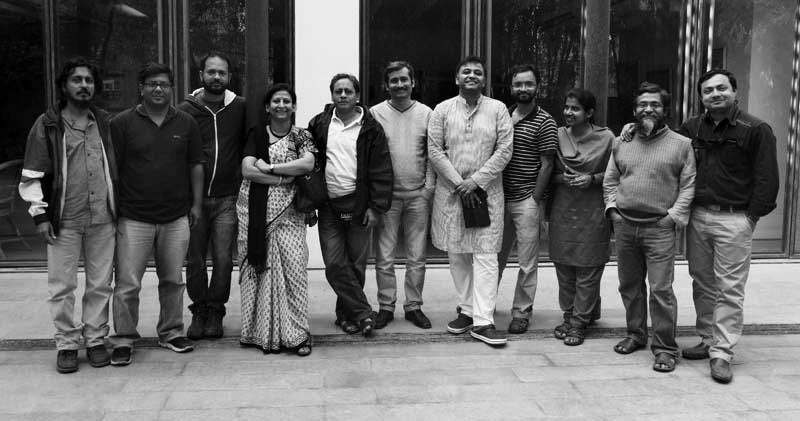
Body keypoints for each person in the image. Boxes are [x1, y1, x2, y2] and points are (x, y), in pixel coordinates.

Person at [678, 69, 779, 383]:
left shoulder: (756, 129)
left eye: (721, 88)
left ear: (735, 91)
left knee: (730, 289)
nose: (715, 94)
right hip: (698, 217)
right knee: (702, 282)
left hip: (735, 219)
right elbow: (666, 150)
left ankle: (722, 353)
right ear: (701, 97)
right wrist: (630, 131)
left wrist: (751, 218)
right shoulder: (691, 128)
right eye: (708, 91)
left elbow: (767, 180)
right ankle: (708, 339)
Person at [19, 57, 117, 373]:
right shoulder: (48, 124)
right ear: (65, 86)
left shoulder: (104, 121)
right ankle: (66, 343)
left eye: (89, 80)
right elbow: (32, 174)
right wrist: (40, 215)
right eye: (77, 80)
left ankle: (96, 339)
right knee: (61, 286)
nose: (84, 85)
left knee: (100, 284)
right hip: (65, 221)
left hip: (103, 217)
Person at [109, 62, 204, 366]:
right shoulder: (122, 123)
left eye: (163, 84)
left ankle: (172, 331)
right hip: (133, 216)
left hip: (176, 216)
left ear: (171, 88)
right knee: (127, 282)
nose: (158, 89)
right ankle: (123, 338)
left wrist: (196, 205)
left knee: (173, 279)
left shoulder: (186, 122)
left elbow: (195, 165)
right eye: (152, 84)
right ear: (141, 88)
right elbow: (113, 170)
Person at [603, 81, 695, 373]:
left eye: (655, 104)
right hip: (625, 225)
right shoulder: (623, 141)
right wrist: (613, 211)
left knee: (660, 290)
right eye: (643, 104)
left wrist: (672, 217)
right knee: (629, 286)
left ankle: (666, 348)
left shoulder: (681, 145)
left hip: (659, 227)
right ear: (634, 110)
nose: (648, 109)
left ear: (665, 109)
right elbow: (610, 181)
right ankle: (635, 335)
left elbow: (689, 186)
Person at [428, 56, 513, 346]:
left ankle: (484, 320)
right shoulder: (441, 110)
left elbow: (504, 150)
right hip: (452, 194)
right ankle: (466, 310)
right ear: (457, 78)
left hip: (486, 193)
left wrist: (475, 181)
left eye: (478, 72)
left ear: (484, 80)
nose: (472, 75)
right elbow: (435, 150)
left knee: (486, 256)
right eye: (466, 71)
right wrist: (458, 182)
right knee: (458, 254)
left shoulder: (498, 109)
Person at [307, 73, 393, 337]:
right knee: (334, 264)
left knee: (355, 265)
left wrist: (375, 207)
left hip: (359, 205)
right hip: (329, 207)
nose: (343, 95)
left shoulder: (371, 127)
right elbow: (311, 167)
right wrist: (309, 202)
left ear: (357, 95)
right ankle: (364, 313)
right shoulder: (319, 124)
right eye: (338, 91)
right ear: (331, 95)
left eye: (348, 91)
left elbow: (381, 169)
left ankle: (346, 317)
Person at [237, 83, 315, 356]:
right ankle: (256, 332)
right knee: (256, 273)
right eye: (276, 101)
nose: (281, 105)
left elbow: (306, 165)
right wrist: (284, 177)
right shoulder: (257, 134)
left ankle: (297, 335)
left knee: (294, 274)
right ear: (267, 107)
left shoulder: (302, 136)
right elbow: (247, 170)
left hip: (290, 215)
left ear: (293, 106)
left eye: (286, 101)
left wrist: (269, 168)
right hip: (254, 212)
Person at [178, 52, 247, 340]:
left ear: (229, 77)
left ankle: (216, 310)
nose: (216, 77)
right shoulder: (185, 110)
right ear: (201, 76)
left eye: (222, 73)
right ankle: (199, 311)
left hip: (227, 199)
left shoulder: (240, 107)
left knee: (222, 260)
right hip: (193, 201)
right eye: (211, 72)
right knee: (194, 260)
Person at [370, 61, 434, 330]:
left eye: (403, 80)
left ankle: (413, 306)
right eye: (393, 80)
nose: (399, 85)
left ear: (413, 82)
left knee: (417, 255)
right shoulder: (375, 113)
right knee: (384, 256)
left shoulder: (427, 113)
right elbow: (370, 155)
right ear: (386, 85)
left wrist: (429, 188)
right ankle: (386, 306)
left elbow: (434, 153)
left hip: (418, 195)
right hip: (387, 198)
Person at [549, 88, 613, 346]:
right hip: (563, 210)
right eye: (566, 107)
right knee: (564, 269)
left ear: (589, 113)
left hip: (593, 211)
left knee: (588, 269)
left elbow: (616, 173)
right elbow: (546, 173)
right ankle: (569, 314)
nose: (568, 112)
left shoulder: (607, 138)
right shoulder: (557, 135)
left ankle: (578, 322)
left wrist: (592, 179)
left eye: (575, 108)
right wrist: (562, 178)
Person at [497, 64, 556, 334]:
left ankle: (522, 311)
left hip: (525, 200)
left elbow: (547, 164)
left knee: (527, 261)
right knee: (492, 257)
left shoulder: (545, 121)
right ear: (511, 87)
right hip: (498, 199)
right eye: (518, 84)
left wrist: (534, 199)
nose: (523, 89)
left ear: (537, 87)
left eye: (528, 84)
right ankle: (483, 305)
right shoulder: (503, 115)